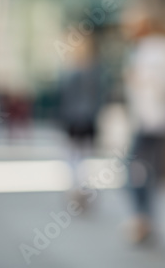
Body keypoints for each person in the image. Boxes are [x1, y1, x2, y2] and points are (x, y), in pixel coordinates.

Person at [120, 0, 165, 244]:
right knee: (147, 171)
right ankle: (145, 219)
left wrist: (140, 78)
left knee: (135, 169)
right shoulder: (148, 48)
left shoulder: (163, 50)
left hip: (155, 120)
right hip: (149, 119)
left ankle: (142, 218)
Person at [56, 35, 105, 209]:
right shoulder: (96, 71)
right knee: (83, 156)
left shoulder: (75, 71)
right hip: (87, 119)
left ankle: (78, 189)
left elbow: (65, 95)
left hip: (77, 119)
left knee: (74, 156)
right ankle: (81, 189)